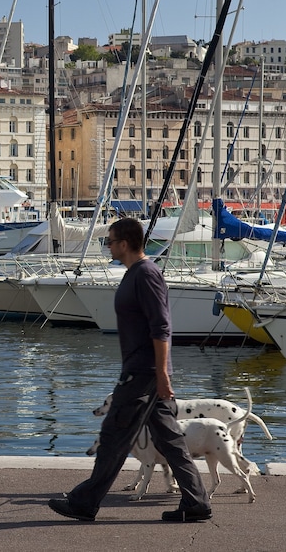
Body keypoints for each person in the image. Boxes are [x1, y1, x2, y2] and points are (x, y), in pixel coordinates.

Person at [47, 217, 212, 523]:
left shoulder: (146, 274)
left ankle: (85, 502)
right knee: (169, 440)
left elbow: (162, 327)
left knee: (114, 436)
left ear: (124, 243)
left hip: (144, 374)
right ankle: (196, 502)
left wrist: (161, 373)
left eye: (109, 241)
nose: (107, 246)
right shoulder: (135, 274)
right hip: (145, 372)